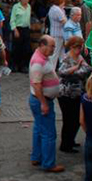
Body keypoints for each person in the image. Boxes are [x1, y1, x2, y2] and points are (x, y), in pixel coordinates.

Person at [29, 36, 65, 172]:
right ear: (42, 45)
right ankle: (49, 163)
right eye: (52, 46)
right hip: (41, 100)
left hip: (40, 99)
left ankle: (36, 156)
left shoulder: (43, 57)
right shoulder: (38, 62)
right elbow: (37, 85)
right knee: (49, 134)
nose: (54, 49)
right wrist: (43, 104)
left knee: (39, 128)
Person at [57, 36, 92, 153]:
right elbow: (61, 72)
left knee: (76, 119)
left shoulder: (80, 57)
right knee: (69, 119)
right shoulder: (66, 58)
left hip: (77, 92)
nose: (80, 49)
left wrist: (78, 71)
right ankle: (65, 145)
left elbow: (87, 69)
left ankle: (70, 140)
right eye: (78, 47)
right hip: (66, 94)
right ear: (72, 47)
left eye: (81, 47)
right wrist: (76, 68)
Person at [10, 0, 32, 72]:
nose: (26, 0)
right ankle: (14, 65)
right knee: (16, 48)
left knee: (26, 48)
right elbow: (12, 20)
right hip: (18, 28)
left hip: (26, 29)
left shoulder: (29, 6)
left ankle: (24, 66)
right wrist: (15, 30)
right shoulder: (16, 7)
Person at [47, 0, 67, 66]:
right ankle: (51, 70)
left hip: (58, 34)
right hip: (57, 34)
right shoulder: (57, 10)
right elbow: (64, 21)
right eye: (63, 2)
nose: (64, 3)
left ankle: (63, 69)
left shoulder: (54, 8)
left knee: (61, 54)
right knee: (55, 54)